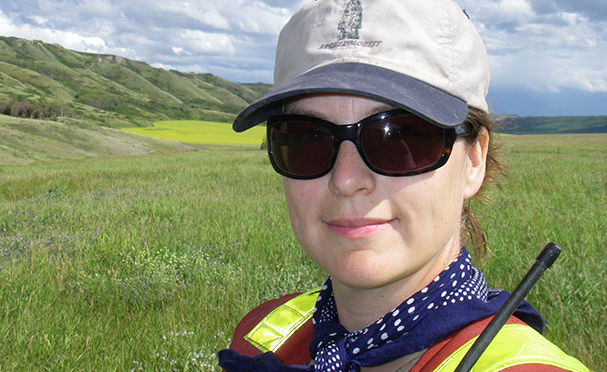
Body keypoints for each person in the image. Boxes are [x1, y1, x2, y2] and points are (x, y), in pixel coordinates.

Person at [217, 0, 591, 371]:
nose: (347, 180)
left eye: (400, 138)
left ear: (474, 160)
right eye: (307, 139)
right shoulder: (261, 335)